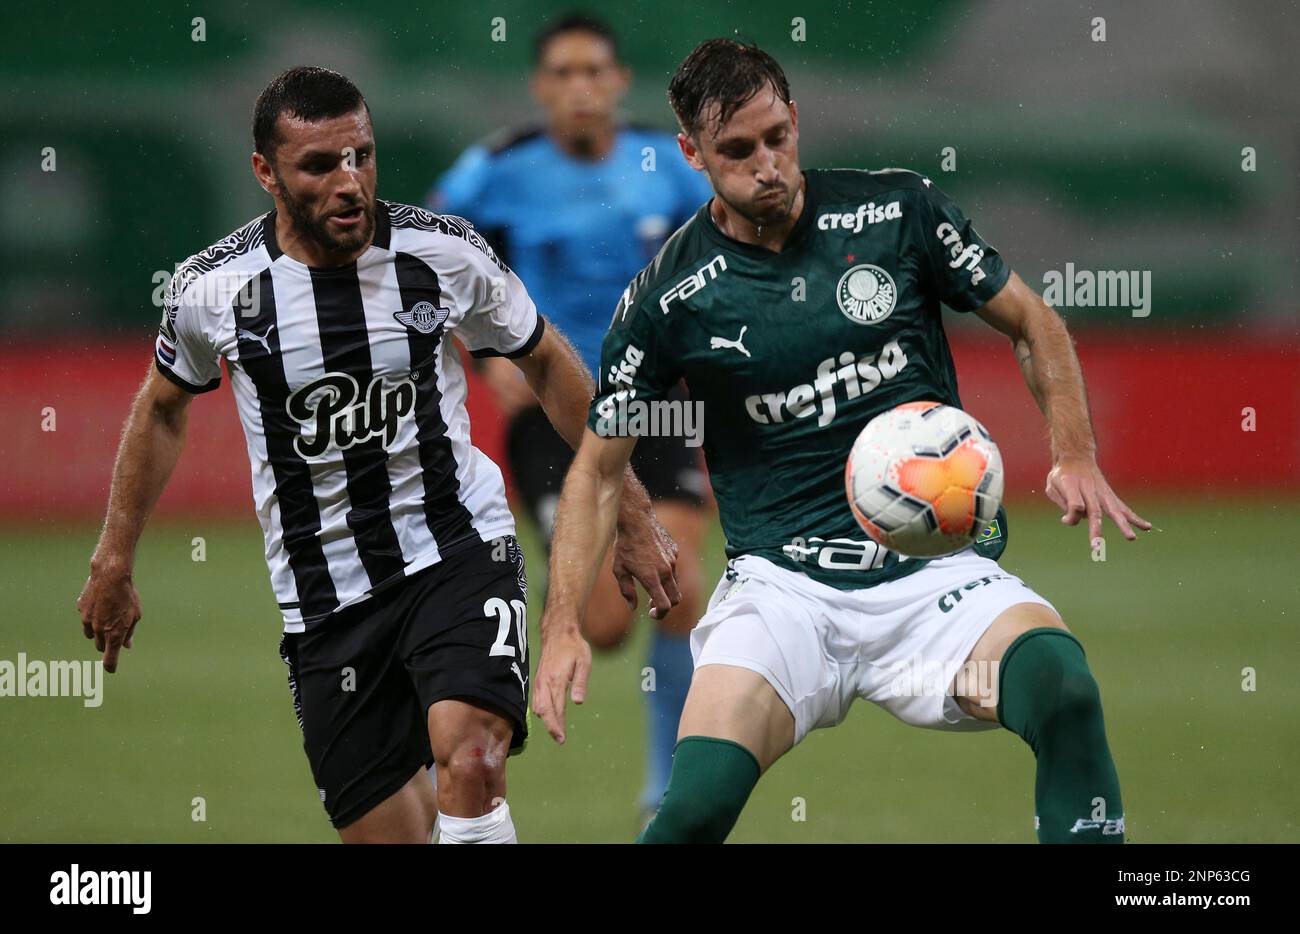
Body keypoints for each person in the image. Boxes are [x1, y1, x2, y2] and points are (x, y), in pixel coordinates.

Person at [533, 39, 1150, 843]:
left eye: (776, 137)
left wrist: (1074, 454)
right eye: (737, 151)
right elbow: (596, 471)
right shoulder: (668, 298)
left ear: (795, 119)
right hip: (783, 596)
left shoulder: (898, 213)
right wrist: (562, 626)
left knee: (1063, 688)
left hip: (935, 580)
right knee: (691, 812)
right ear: (691, 153)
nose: (767, 165)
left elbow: (1032, 321)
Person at [75, 65, 675, 844]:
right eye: (320, 165)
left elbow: (546, 362)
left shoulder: (442, 252)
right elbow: (160, 409)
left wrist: (630, 509)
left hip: (457, 549)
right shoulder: (214, 290)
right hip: (323, 601)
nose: (350, 181)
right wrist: (113, 557)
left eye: (361, 154)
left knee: (471, 757)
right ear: (266, 173)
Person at [430, 13, 713, 817]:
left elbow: (734, 247)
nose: (579, 88)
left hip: (655, 407)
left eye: (594, 72)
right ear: (539, 86)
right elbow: (422, 262)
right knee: (606, 622)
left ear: (620, 82)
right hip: (553, 416)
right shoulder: (496, 168)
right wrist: (484, 355)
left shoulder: (669, 164)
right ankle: (457, 704)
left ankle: (668, 787)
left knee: (676, 582)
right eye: (562, 74)